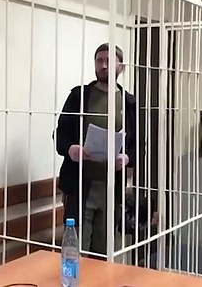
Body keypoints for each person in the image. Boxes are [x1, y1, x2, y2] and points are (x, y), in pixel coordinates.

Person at [55, 43, 137, 256]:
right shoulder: (79, 96)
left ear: (122, 66)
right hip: (81, 187)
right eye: (99, 60)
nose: (104, 65)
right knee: (75, 251)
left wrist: (127, 158)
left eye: (109, 61)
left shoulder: (129, 103)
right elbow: (60, 134)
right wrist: (71, 149)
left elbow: (137, 145)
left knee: (105, 253)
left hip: (112, 189)